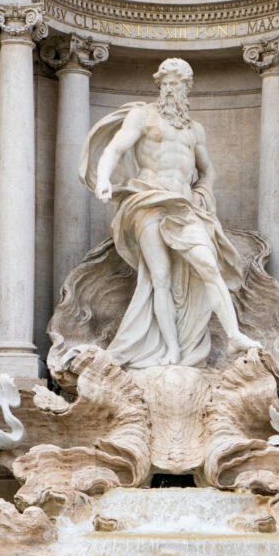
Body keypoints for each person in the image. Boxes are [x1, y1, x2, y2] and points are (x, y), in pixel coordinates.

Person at [79, 58, 261, 368]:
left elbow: (208, 171)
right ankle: (171, 351)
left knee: (208, 265)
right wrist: (106, 179)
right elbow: (115, 149)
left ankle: (233, 336)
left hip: (184, 206)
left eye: (177, 84)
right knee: (159, 276)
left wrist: (203, 192)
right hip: (148, 200)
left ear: (187, 88)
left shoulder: (194, 129)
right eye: (165, 83)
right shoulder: (142, 116)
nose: (170, 89)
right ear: (158, 85)